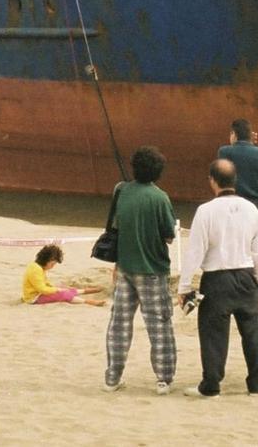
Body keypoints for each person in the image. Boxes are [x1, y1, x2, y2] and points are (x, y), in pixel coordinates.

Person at [178, 158, 258, 397]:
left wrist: (185, 285)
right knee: (253, 331)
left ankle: (211, 384)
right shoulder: (252, 209)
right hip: (245, 274)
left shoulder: (205, 211)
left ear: (212, 181)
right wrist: (257, 279)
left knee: (213, 334)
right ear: (234, 180)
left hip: (216, 277)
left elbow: (195, 251)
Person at [103, 146, 177, 395]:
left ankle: (112, 377)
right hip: (153, 270)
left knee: (120, 324)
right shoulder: (160, 198)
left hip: (125, 268)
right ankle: (164, 379)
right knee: (159, 325)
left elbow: (117, 226)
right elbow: (169, 235)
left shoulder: (122, 191)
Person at [218, 118, 258, 296]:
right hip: (256, 205)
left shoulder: (224, 151)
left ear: (234, 134)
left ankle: (230, 281)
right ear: (250, 135)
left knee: (230, 242)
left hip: (230, 203)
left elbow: (220, 174)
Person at [22, 244, 105, 306]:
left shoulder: (38, 267)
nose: (53, 266)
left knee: (65, 290)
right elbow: (42, 289)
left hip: (36, 294)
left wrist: (58, 288)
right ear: (48, 260)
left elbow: (46, 284)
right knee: (63, 294)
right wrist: (57, 290)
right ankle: (88, 302)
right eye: (53, 263)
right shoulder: (35, 269)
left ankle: (86, 291)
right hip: (34, 298)